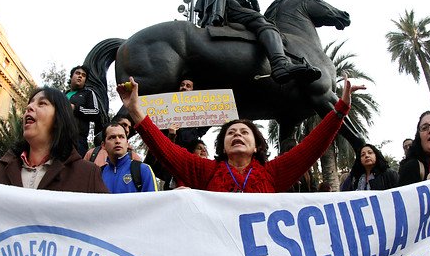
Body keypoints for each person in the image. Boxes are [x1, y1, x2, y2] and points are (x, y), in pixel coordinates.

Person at [118, 75, 364, 192]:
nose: (237, 134)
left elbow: (312, 146)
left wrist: (340, 110)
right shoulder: (205, 172)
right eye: (230, 132)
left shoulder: (273, 174)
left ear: (257, 146)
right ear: (223, 147)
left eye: (245, 132)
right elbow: (165, 148)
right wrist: (136, 111)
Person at [194, 0, 320, 84]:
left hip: (214, 19)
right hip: (232, 10)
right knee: (265, 24)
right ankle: (280, 64)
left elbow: (200, 12)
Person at [0, 87, 108, 193]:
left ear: (59, 119)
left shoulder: (87, 175)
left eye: (42, 103)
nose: (29, 107)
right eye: (30, 104)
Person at [100, 123, 157, 193]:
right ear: (103, 145)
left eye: (121, 137)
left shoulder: (143, 170)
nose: (118, 141)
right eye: (112, 137)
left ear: (127, 143)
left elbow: (153, 202)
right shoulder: (98, 174)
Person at [65, 65, 102, 157]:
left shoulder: (88, 93)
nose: (80, 76)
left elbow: (96, 112)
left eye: (83, 75)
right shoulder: (63, 95)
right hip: (58, 138)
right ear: (71, 76)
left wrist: (76, 108)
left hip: (78, 139)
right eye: (77, 73)